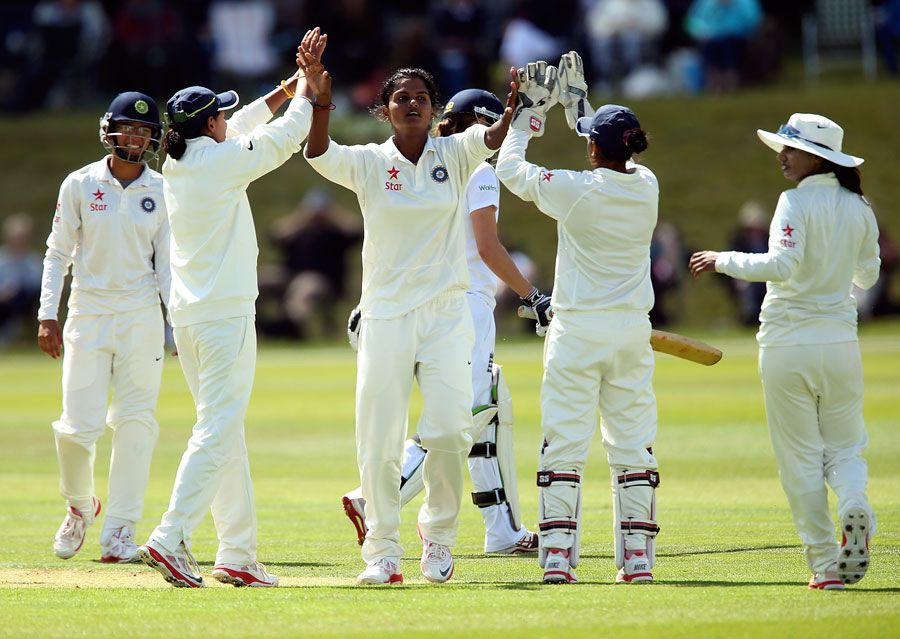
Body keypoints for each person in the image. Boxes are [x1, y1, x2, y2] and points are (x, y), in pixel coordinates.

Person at [302, 45, 517, 584]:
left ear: (434, 109)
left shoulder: (456, 154)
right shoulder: (372, 163)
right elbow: (319, 154)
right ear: (385, 110)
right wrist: (321, 101)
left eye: (421, 98)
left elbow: (488, 138)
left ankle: (439, 537)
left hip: (446, 314)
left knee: (447, 431)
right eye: (401, 98)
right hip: (386, 316)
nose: (412, 105)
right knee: (378, 438)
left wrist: (512, 111)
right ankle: (382, 551)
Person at [137, 29, 326, 589]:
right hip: (222, 316)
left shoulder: (184, 159)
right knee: (218, 428)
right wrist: (311, 92)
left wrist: (288, 85)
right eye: (220, 115)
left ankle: (237, 553)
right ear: (208, 127)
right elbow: (286, 137)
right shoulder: (220, 163)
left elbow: (244, 124)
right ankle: (170, 537)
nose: (228, 118)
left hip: (194, 318)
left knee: (224, 430)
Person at [340, 88, 544, 559]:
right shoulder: (475, 167)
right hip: (461, 306)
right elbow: (489, 248)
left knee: (491, 414)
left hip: (433, 304)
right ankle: (373, 499)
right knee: (455, 422)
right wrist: (532, 295)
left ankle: (502, 530)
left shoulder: (438, 161)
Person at [689, 113, 880, 590]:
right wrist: (835, 265)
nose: (782, 156)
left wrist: (722, 260)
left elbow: (783, 265)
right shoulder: (860, 207)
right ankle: (854, 502)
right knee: (846, 445)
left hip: (788, 344)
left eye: (790, 150)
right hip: (839, 344)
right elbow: (869, 276)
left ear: (818, 157)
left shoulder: (792, 202)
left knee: (799, 458)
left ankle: (824, 564)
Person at [496, 57, 661, 584]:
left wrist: (528, 116)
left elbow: (508, 169)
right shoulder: (647, 184)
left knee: (564, 442)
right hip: (632, 332)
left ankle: (559, 560)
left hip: (577, 330)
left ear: (594, 148)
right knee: (632, 443)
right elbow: (605, 147)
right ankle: (637, 562)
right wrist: (579, 108)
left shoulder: (576, 189)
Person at [37, 90, 169, 564]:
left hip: (141, 317)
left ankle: (120, 531)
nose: (134, 136)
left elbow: (168, 263)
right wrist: (47, 313)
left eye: (142, 129)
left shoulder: (162, 189)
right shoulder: (79, 183)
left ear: (153, 137)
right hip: (88, 315)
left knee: (136, 424)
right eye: (126, 127)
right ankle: (79, 506)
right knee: (77, 428)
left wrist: (176, 320)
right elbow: (58, 252)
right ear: (108, 130)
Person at [257, 187, 362, 339]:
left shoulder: (335, 232)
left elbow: (358, 231)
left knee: (305, 288)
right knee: (261, 279)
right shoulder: (300, 229)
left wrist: (333, 215)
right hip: (290, 276)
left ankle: (291, 328)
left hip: (323, 281)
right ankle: (259, 325)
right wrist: (301, 218)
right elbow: (275, 236)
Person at [0, 213, 42, 344]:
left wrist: (14, 289)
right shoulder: (2, 258)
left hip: (24, 300)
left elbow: (35, 284)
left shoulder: (33, 260)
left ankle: (10, 332)